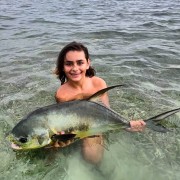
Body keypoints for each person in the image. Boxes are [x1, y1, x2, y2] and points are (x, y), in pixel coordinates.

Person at [54, 41, 146, 164]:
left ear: (88, 63)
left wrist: (127, 125)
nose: (75, 68)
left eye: (80, 62)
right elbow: (65, 121)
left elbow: (106, 111)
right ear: (63, 66)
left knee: (93, 159)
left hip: (96, 122)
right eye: (69, 64)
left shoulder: (99, 83)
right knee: (53, 151)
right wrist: (65, 139)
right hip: (78, 126)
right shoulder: (62, 94)